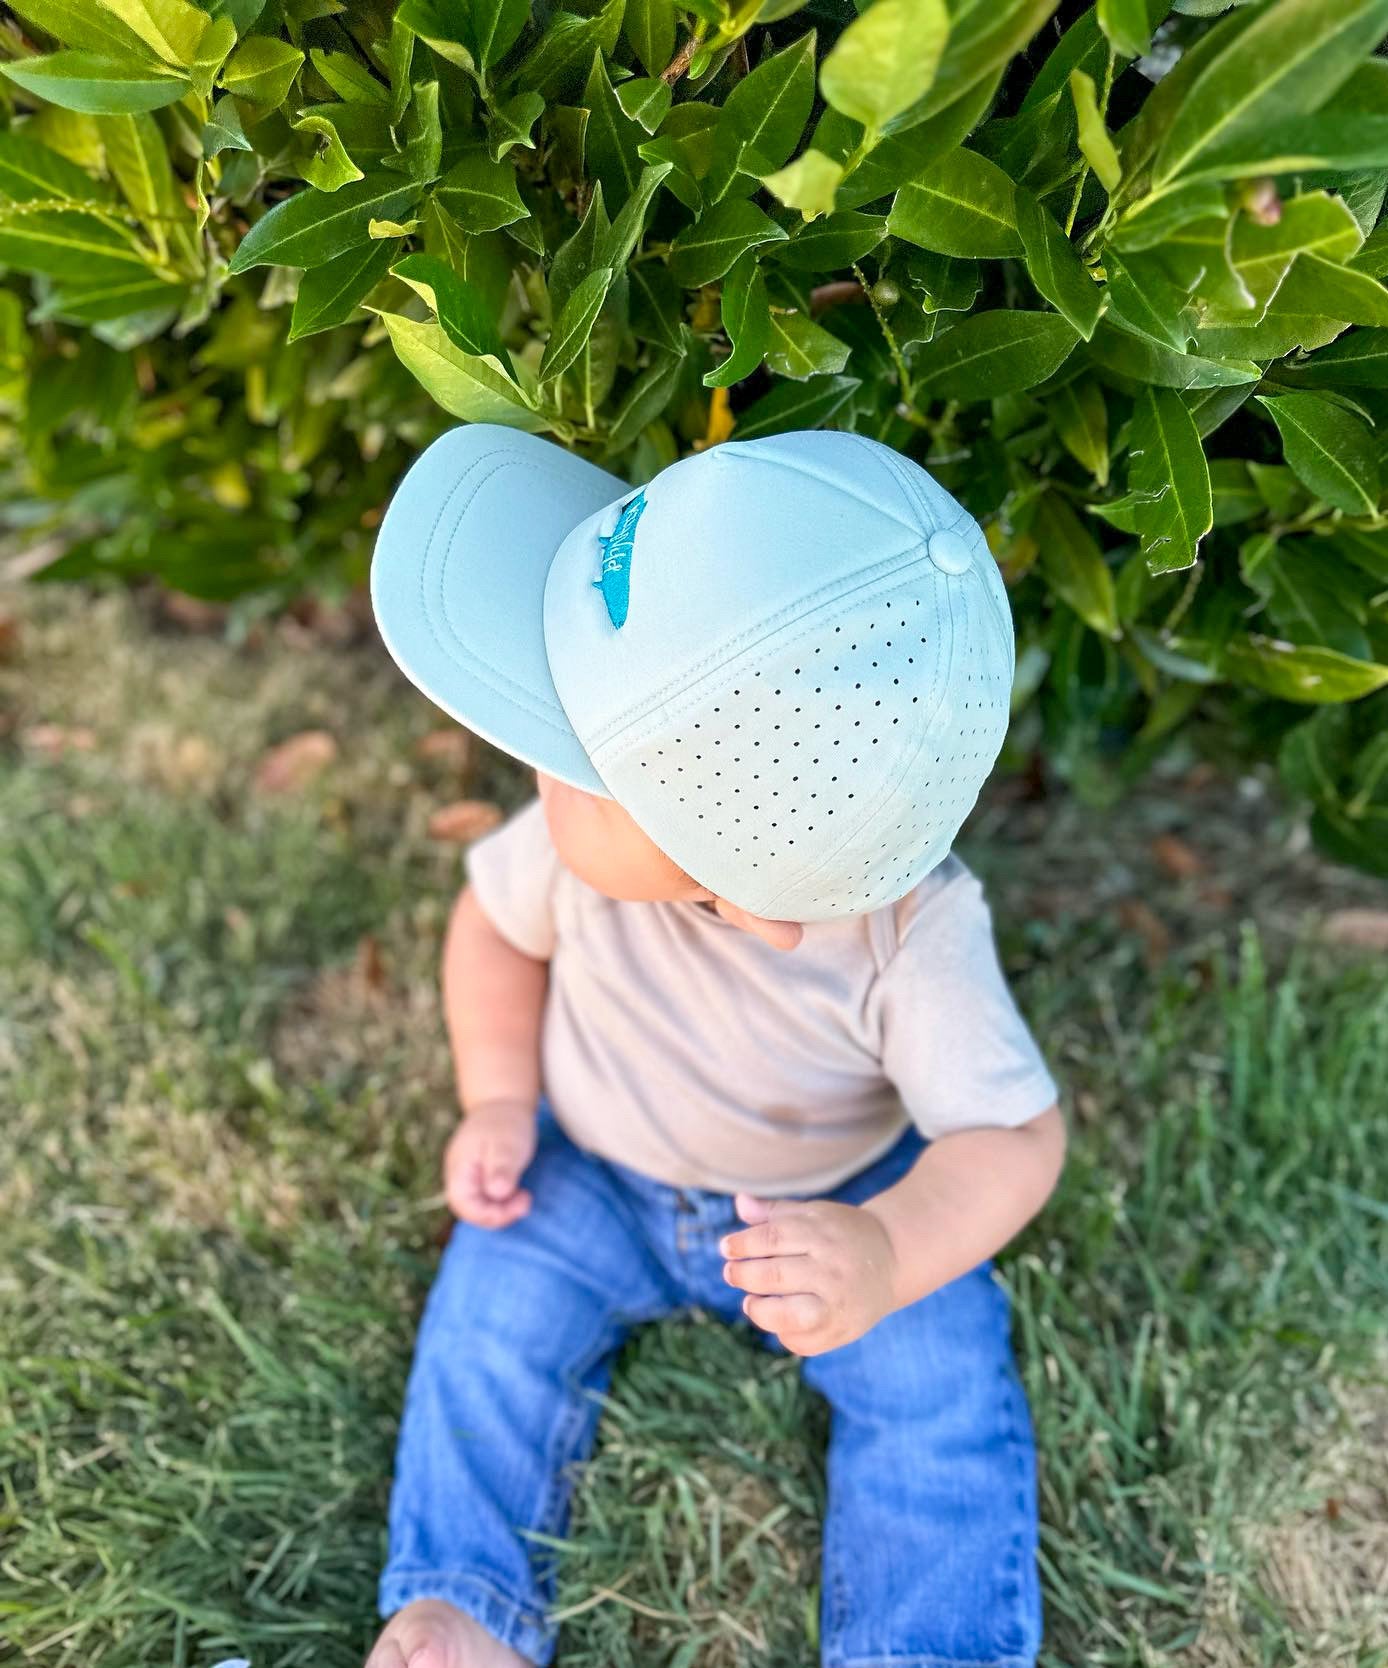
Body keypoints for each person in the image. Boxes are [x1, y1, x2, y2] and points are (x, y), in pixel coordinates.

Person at [364, 426, 1064, 1668]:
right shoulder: (565, 849)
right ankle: (462, 1604)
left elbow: (1010, 1137)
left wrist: (889, 1246)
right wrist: (497, 1100)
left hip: (837, 1199)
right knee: (489, 1324)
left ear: (745, 889)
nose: (534, 761)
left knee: (939, 1387)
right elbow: (492, 935)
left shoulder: (913, 937)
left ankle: (928, 1646)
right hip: (589, 1173)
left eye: (572, 758)